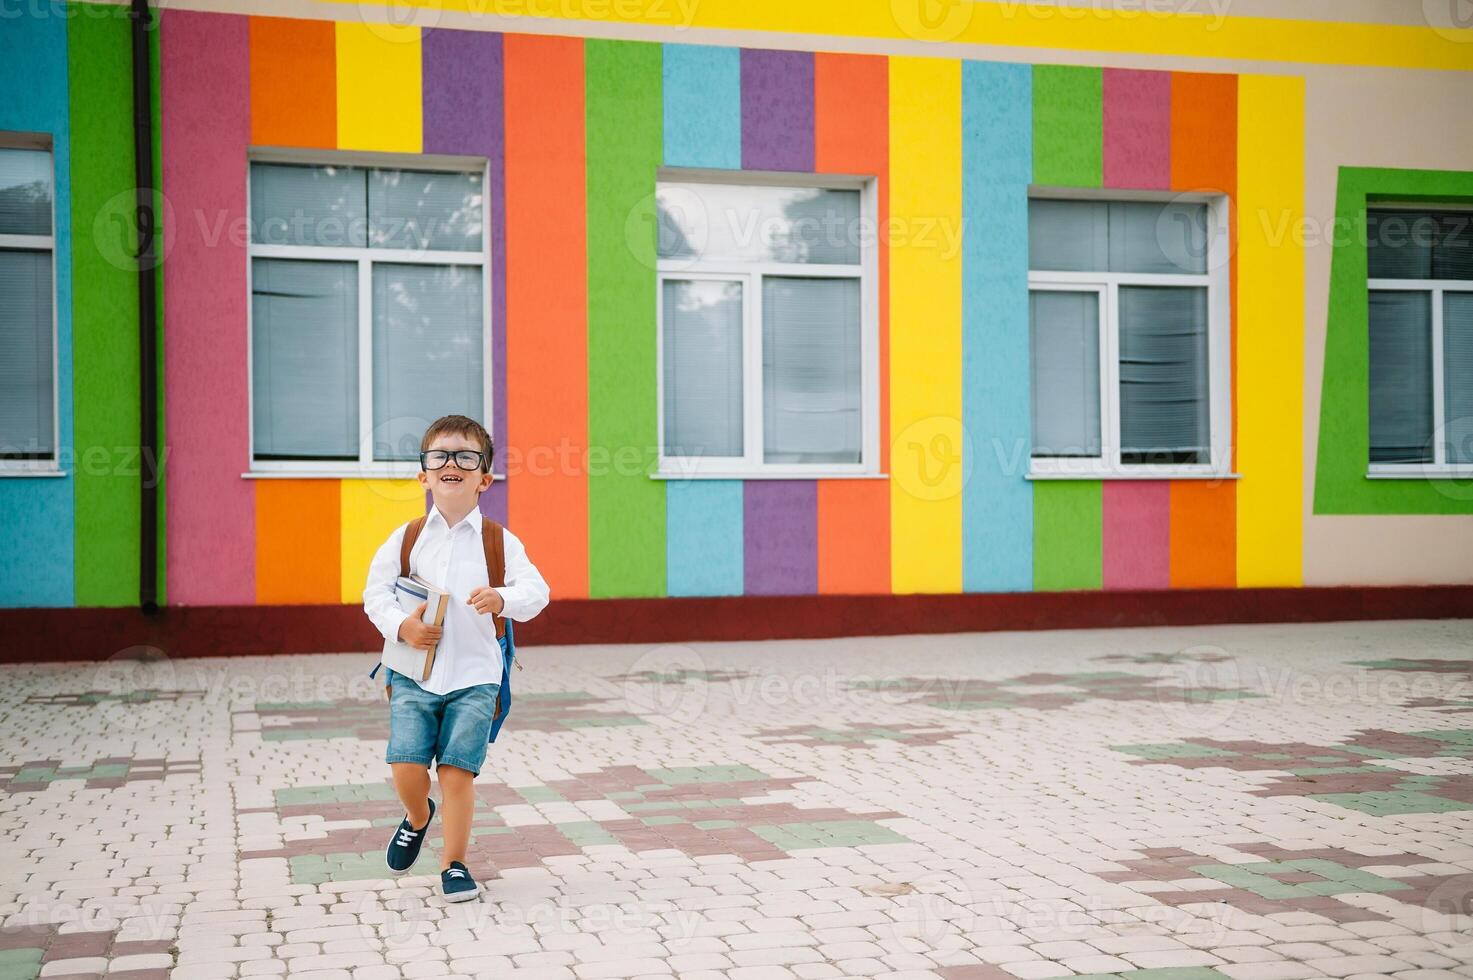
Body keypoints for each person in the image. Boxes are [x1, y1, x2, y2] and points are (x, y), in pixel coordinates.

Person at [362, 415, 549, 902]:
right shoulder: (405, 539)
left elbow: (538, 592)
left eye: (466, 457)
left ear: (484, 477)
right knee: (406, 765)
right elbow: (374, 594)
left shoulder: (498, 541)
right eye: (439, 456)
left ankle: (454, 864)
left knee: (456, 773)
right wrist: (402, 625)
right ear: (423, 474)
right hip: (412, 676)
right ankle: (417, 816)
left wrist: (503, 599)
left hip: (475, 676)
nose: (452, 463)